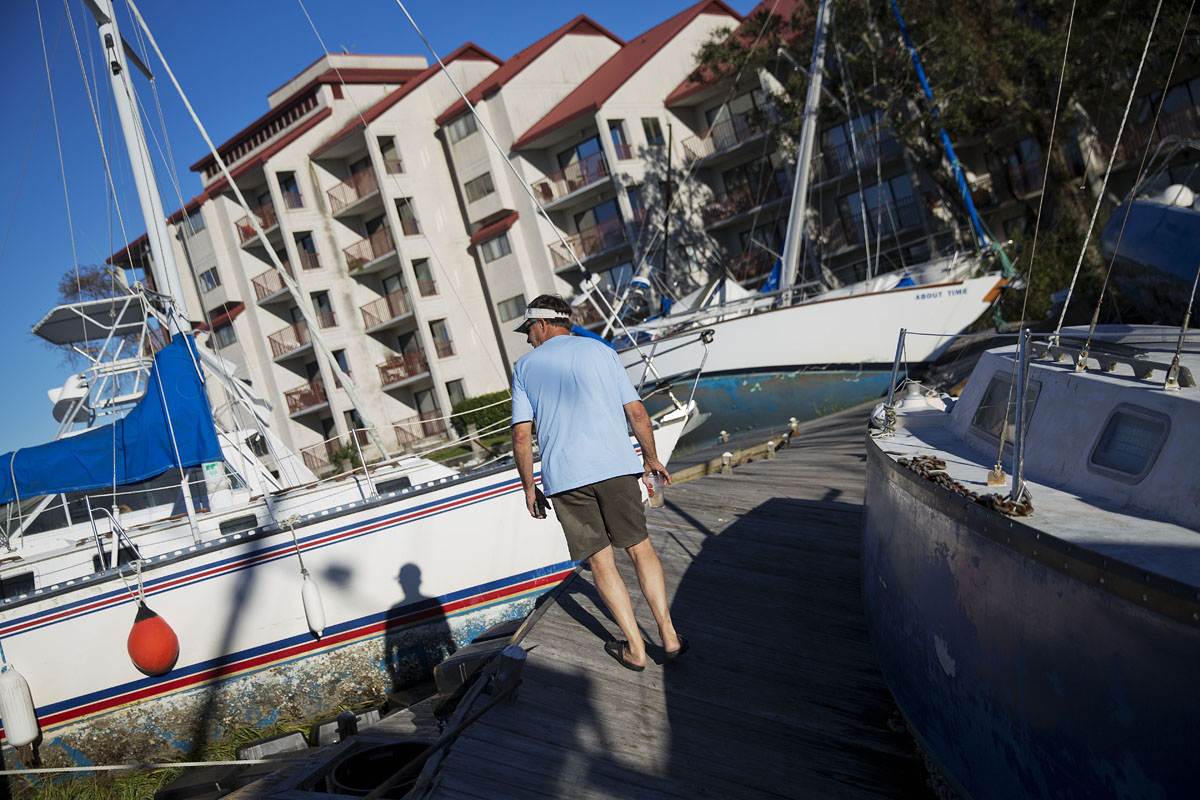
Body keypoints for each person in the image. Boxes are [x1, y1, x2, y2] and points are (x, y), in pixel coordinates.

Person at [510, 295, 688, 671]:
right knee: (640, 549)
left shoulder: (524, 367)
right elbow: (637, 411)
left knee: (601, 561)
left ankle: (637, 650)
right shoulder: (602, 351)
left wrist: (528, 486)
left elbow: (522, 437)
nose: (527, 339)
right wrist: (651, 459)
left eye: (528, 330)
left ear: (542, 324)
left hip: (566, 479)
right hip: (615, 467)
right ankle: (669, 637)